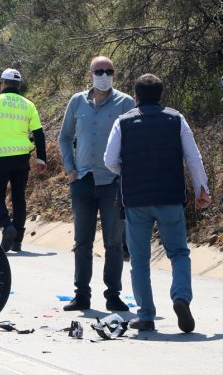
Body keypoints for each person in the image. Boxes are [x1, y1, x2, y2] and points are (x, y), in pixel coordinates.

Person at [104, 74, 211, 332]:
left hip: (136, 200)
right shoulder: (176, 119)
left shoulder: (123, 122)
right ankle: (181, 297)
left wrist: (128, 171)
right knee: (179, 253)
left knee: (140, 261)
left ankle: (147, 315)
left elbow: (109, 160)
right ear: (161, 96)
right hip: (169, 197)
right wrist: (201, 189)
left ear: (136, 96)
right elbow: (193, 157)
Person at [57, 56, 135, 312]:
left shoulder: (125, 103)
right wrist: (70, 169)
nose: (104, 74)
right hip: (82, 181)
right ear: (89, 74)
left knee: (114, 242)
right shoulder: (76, 101)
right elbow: (65, 137)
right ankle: (82, 295)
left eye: (109, 71)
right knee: (82, 241)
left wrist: (125, 174)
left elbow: (134, 141)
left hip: (112, 182)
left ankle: (113, 295)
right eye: (99, 71)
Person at [0, 68, 47, 252]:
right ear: (19, 85)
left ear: (3, 83)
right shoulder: (28, 104)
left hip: (0, 158)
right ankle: (18, 241)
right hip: (22, 158)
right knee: (19, 197)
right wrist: (41, 159)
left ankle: (7, 226)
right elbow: (39, 133)